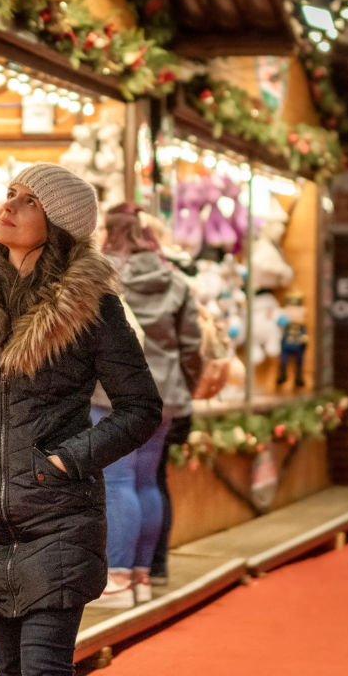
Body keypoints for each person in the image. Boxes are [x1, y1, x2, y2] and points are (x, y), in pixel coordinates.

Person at [0, 164, 163, 676]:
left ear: (59, 224)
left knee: (43, 667)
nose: (8, 206)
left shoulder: (90, 306)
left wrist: (67, 461)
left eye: (29, 201)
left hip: (59, 517)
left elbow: (141, 408)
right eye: (11, 193)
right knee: (9, 668)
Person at [89, 204, 203, 607]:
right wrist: (182, 389)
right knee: (146, 481)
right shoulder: (176, 280)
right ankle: (141, 576)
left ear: (110, 232)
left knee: (117, 481)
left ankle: (117, 580)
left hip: (112, 394)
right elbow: (192, 347)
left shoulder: (101, 277)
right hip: (164, 394)